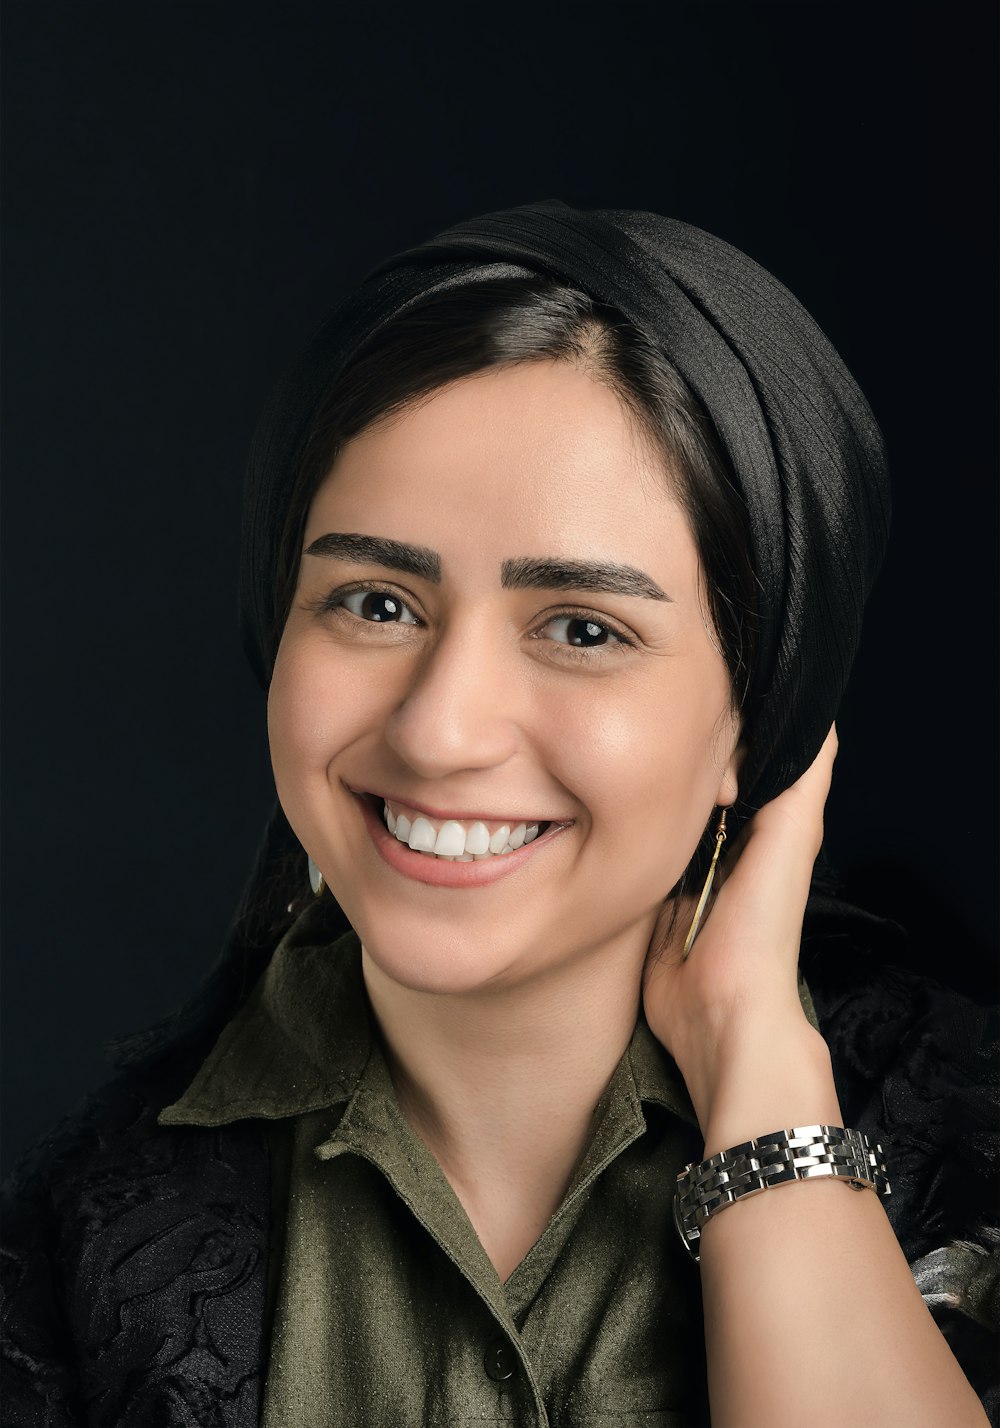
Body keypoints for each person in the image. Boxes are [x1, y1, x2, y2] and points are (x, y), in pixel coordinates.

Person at [2, 200, 996, 1427]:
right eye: (374, 603)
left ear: (761, 719)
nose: (438, 731)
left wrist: (758, 1066)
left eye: (582, 629)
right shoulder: (75, 1242)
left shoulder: (970, 1138)